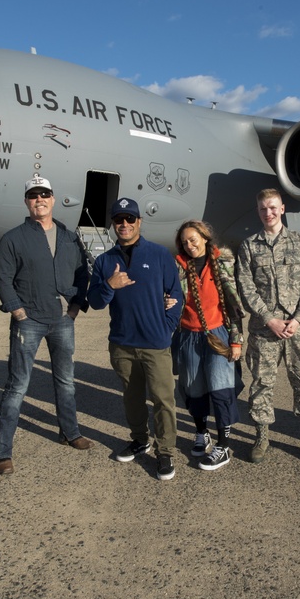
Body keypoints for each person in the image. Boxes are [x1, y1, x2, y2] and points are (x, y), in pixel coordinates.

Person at [0, 176, 91, 476]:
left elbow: (82, 273)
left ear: (53, 198)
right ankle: (2, 451)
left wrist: (75, 308)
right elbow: (3, 278)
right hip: (29, 321)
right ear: (26, 201)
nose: (39, 200)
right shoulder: (13, 238)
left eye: (44, 194)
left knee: (66, 381)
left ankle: (69, 432)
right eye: (33, 195)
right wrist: (18, 312)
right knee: (17, 386)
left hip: (62, 320)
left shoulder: (68, 236)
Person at [88, 197, 184, 481]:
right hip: (122, 344)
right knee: (132, 398)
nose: (125, 224)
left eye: (130, 219)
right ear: (113, 224)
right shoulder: (105, 261)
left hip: (155, 344)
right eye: (119, 219)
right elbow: (94, 301)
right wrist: (109, 285)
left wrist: (166, 326)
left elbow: (176, 294)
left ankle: (165, 451)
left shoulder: (159, 254)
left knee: (163, 399)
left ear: (139, 222)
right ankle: (140, 440)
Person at [236, 188, 300, 465]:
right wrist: (269, 318)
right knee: (262, 384)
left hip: (299, 329)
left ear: (283, 208)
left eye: (273, 208)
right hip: (266, 330)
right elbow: (245, 286)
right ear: (258, 211)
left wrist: (297, 318)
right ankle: (262, 435)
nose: (268, 213)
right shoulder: (249, 246)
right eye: (263, 208)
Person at [173, 220, 244, 471]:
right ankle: (202, 432)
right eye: (184, 242)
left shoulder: (222, 263)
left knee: (221, 388)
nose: (190, 245)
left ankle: (223, 445)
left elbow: (233, 304)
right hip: (189, 335)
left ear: (205, 237)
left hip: (217, 334)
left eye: (193, 239)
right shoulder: (178, 267)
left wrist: (236, 340)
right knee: (193, 388)